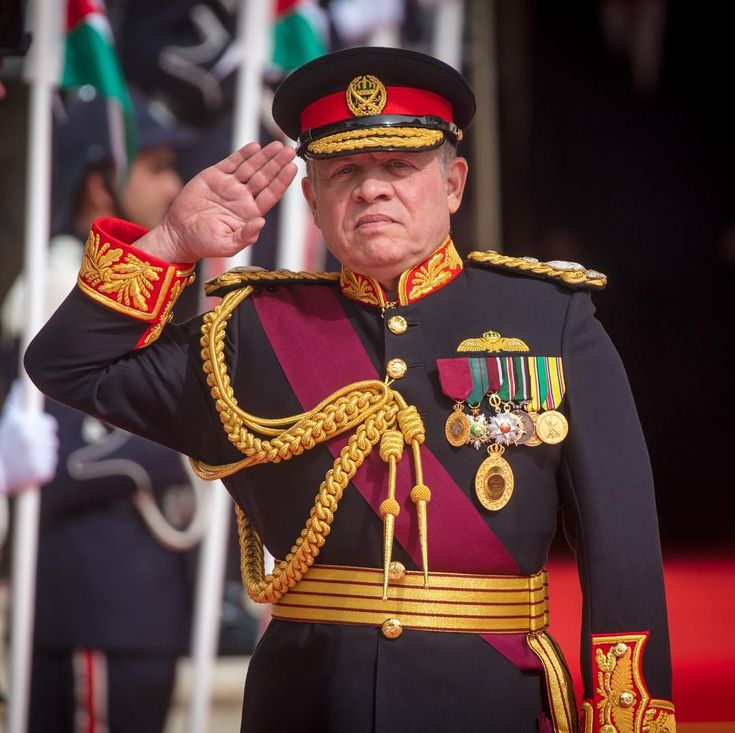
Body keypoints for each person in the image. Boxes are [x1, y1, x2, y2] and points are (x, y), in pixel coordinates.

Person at [24, 47, 676, 733]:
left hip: (486, 703)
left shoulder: (549, 318)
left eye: (398, 166)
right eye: (344, 172)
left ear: (453, 183)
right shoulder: (250, 333)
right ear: (311, 199)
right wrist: (172, 243)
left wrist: (627, 718)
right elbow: (70, 365)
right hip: (305, 705)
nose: (371, 189)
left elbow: (620, 547)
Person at [4, 88, 199, 733]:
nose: (174, 184)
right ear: (99, 184)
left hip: (147, 607)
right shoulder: (50, 293)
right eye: (156, 167)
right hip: (93, 601)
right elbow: (61, 461)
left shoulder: (163, 295)